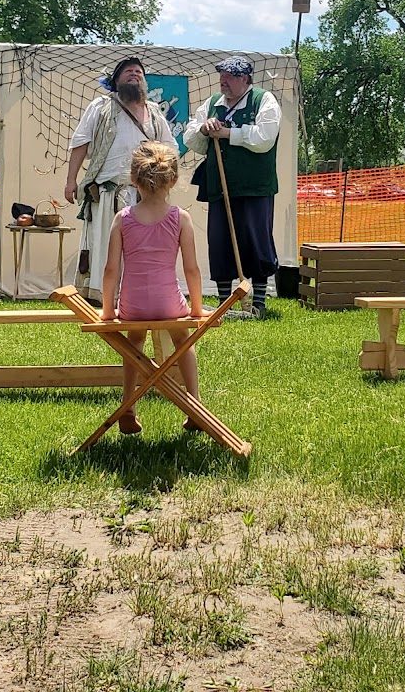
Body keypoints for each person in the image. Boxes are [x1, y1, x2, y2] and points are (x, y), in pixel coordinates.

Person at [101, 141, 204, 435]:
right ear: (172, 180)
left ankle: (128, 407)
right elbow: (192, 269)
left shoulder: (123, 219)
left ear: (134, 179)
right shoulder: (180, 218)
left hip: (132, 305)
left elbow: (111, 270)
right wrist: (196, 308)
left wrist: (109, 311)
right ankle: (194, 404)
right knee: (182, 338)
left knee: (134, 342)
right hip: (168, 302)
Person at [64, 57, 178, 302]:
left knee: (141, 248)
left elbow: (170, 148)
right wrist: (71, 180)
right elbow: (80, 142)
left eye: (138, 71)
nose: (134, 74)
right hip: (108, 192)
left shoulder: (155, 112)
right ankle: (104, 296)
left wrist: (166, 182)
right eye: (128, 71)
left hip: (145, 194)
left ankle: (136, 295)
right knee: (107, 246)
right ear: (116, 80)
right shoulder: (101, 106)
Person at [184, 56, 281, 320]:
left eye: (230, 76)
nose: (223, 81)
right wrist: (204, 129)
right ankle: (225, 302)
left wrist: (229, 134)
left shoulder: (264, 100)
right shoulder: (213, 103)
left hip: (254, 187)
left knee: (256, 240)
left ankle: (258, 302)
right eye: (222, 75)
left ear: (245, 79)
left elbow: (265, 138)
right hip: (220, 186)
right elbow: (191, 137)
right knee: (220, 241)